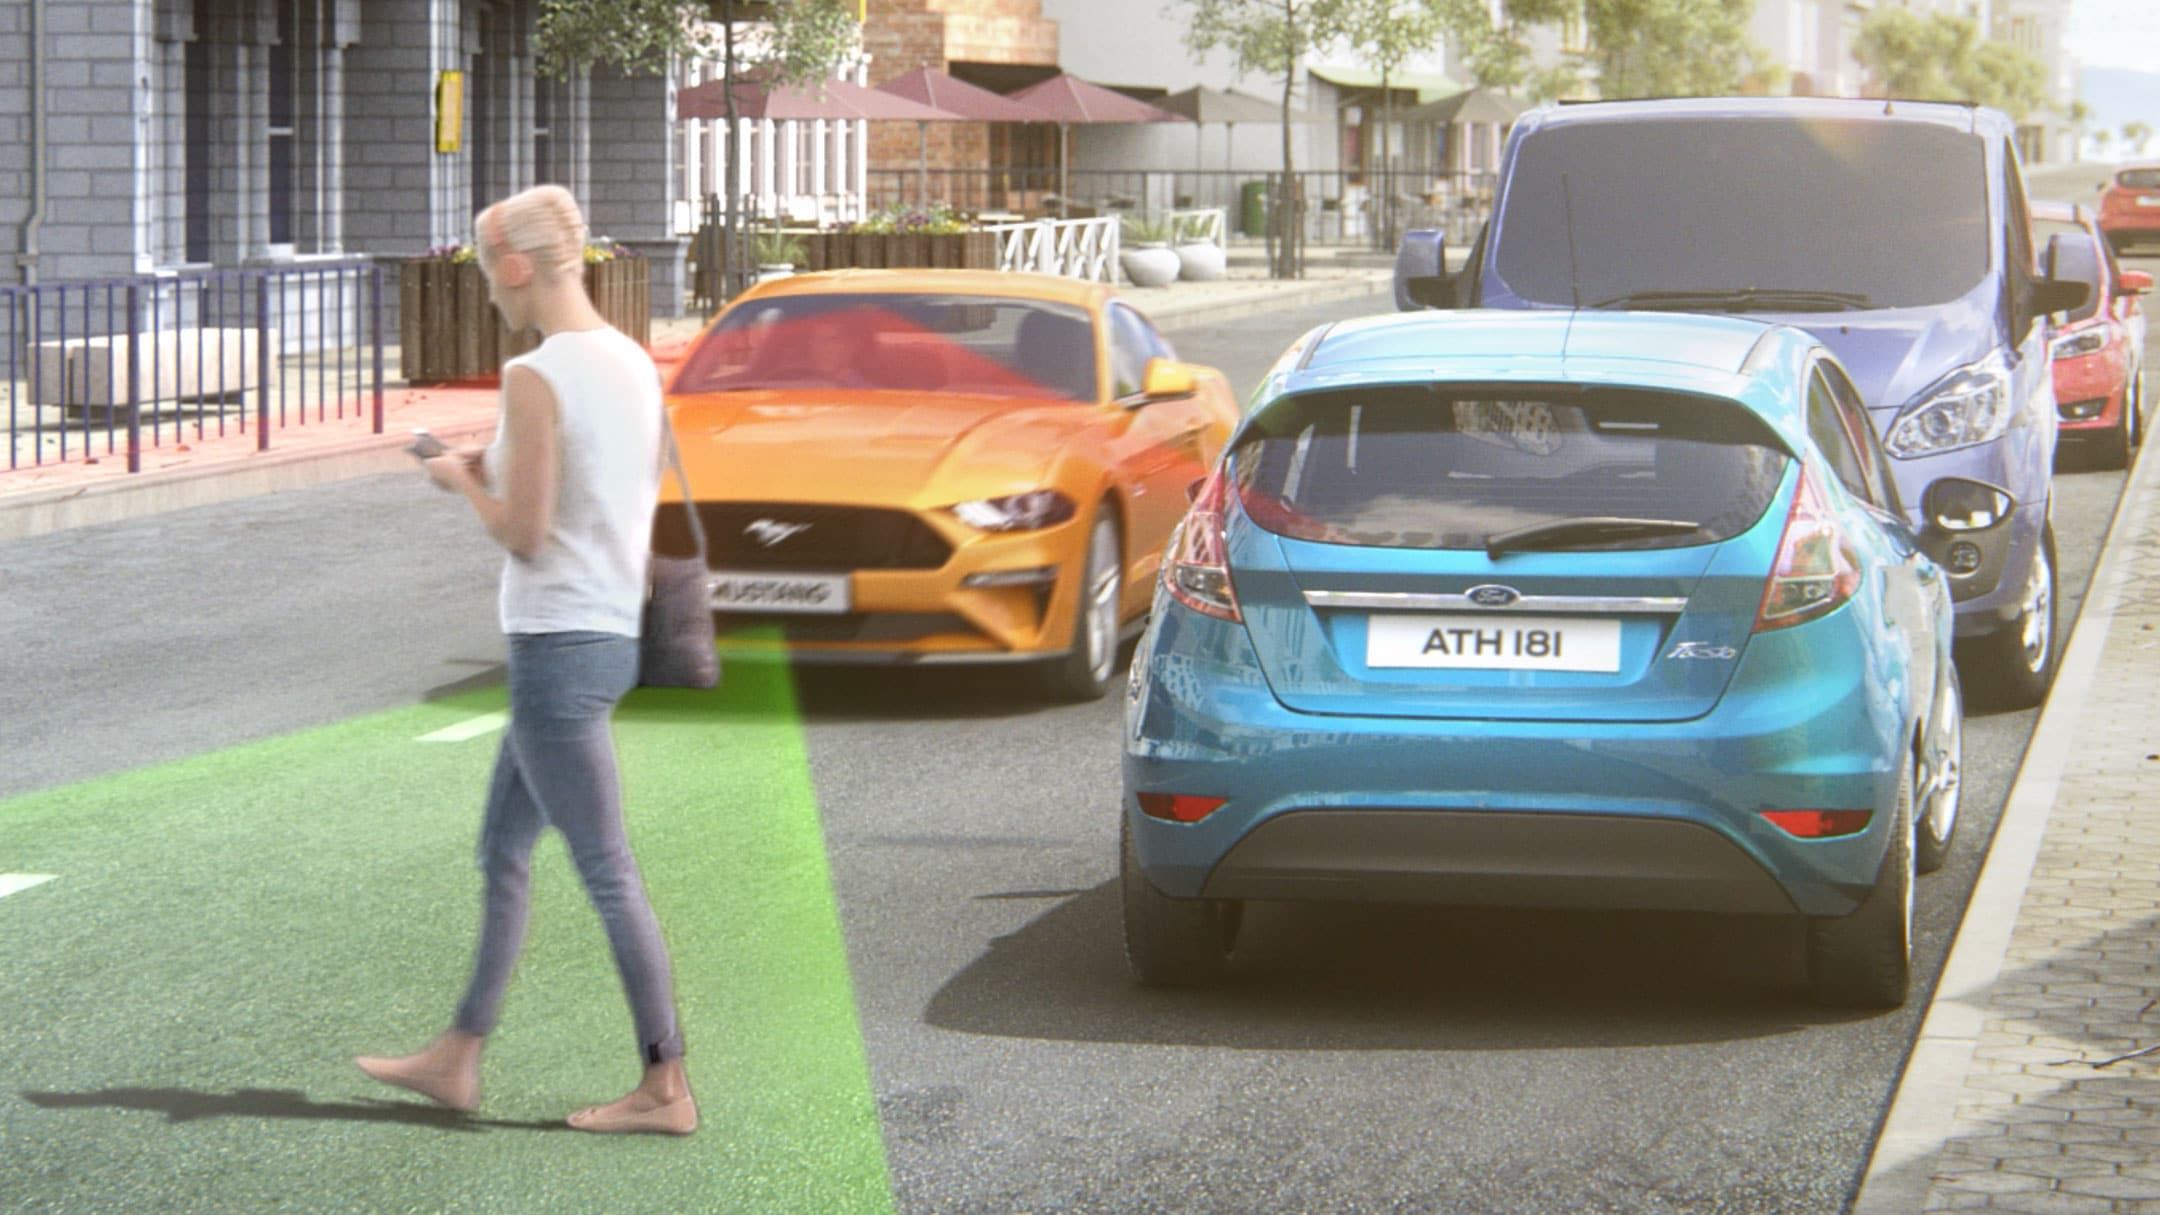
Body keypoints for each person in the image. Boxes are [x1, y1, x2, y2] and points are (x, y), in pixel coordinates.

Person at [354, 184, 696, 1136]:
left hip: (558, 645)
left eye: (481, 264)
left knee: (603, 864)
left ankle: (665, 1084)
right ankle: (455, 1057)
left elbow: (528, 533)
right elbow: (604, 484)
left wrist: (459, 479)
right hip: (608, 631)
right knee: (502, 849)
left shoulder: (536, 373)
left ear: (513, 265)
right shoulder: (629, 360)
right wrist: (495, 457)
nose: (484, 287)